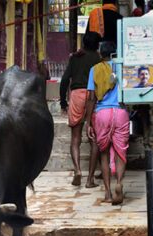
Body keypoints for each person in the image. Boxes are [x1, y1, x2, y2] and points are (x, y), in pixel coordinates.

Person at [85, 41, 130, 205]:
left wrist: (89, 122)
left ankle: (108, 193)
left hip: (102, 113)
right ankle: (119, 182)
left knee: (103, 153)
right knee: (120, 152)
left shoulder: (95, 69)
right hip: (121, 113)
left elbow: (91, 97)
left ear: (101, 55)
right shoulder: (122, 67)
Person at [60, 32, 102, 187]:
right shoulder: (99, 58)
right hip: (94, 96)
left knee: (75, 138)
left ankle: (77, 170)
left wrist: (63, 102)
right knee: (94, 139)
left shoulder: (75, 57)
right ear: (97, 45)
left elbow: (65, 79)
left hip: (77, 95)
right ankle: (90, 179)